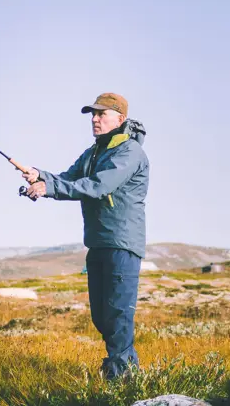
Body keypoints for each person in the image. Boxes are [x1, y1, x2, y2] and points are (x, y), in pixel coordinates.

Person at [21, 92, 150, 381]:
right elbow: (68, 178)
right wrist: (40, 176)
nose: (94, 119)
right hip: (97, 243)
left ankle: (119, 380)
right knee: (102, 317)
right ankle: (128, 375)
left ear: (120, 119)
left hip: (123, 244)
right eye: (93, 114)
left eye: (101, 114)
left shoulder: (129, 152)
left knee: (118, 317)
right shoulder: (94, 152)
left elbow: (98, 186)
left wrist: (48, 189)